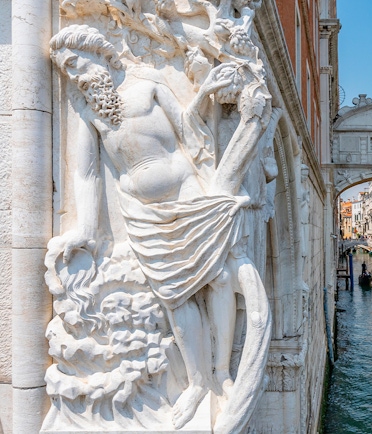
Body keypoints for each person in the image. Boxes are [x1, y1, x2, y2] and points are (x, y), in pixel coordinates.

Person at [49, 24, 278, 430]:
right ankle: (194, 383)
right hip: (140, 212)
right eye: (67, 71)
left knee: (220, 276)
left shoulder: (148, 83)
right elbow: (86, 175)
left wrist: (206, 93)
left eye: (75, 63)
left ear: (99, 53)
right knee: (174, 296)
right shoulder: (87, 111)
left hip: (187, 192)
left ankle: (221, 371)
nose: (74, 75)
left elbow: (190, 132)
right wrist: (87, 228)